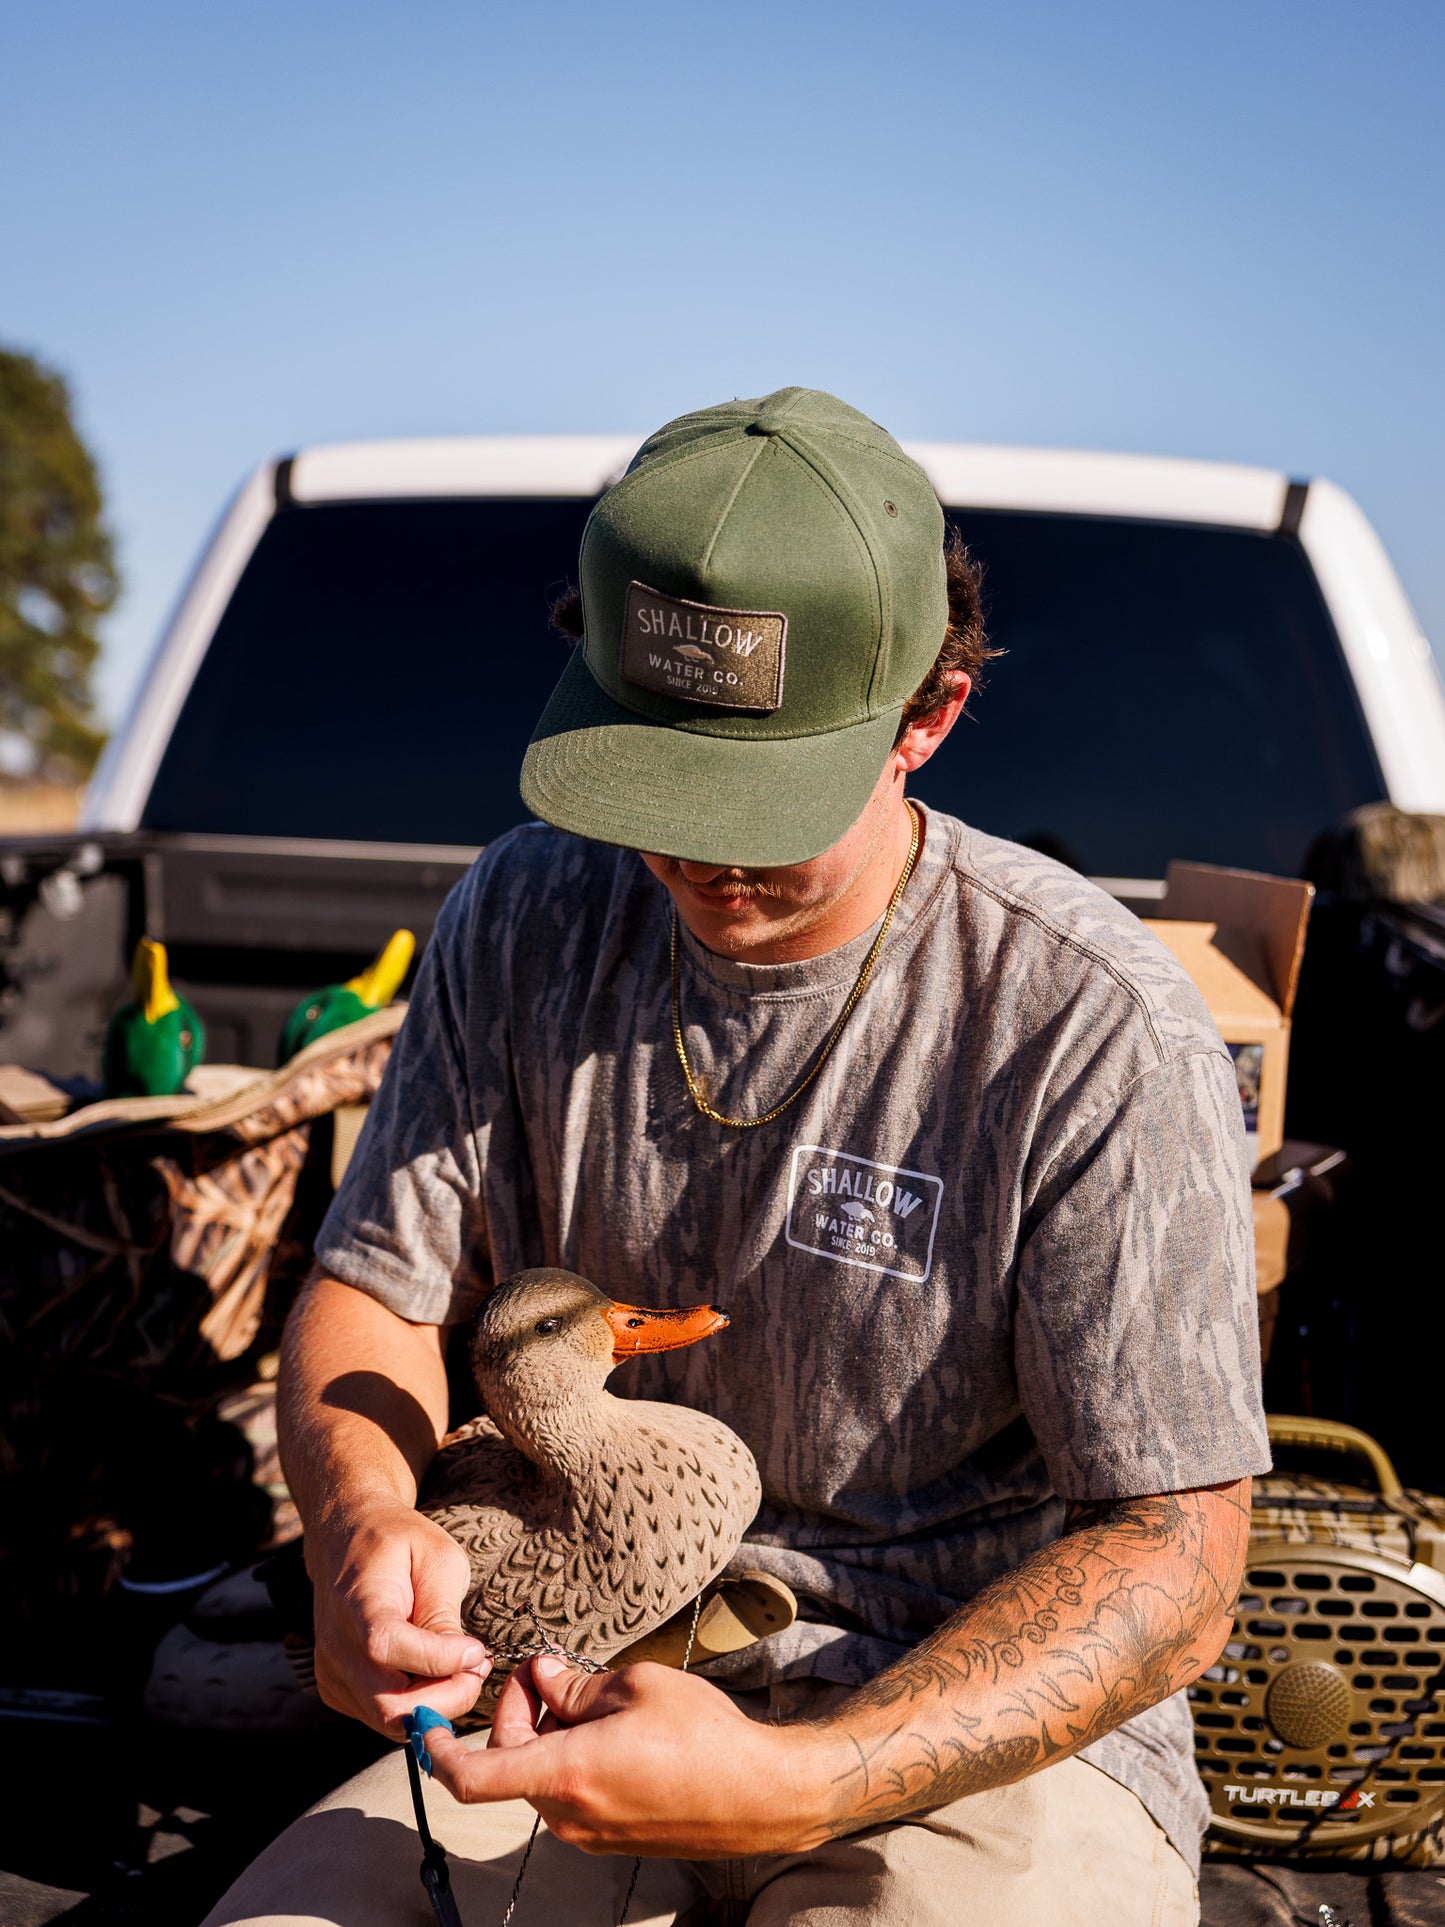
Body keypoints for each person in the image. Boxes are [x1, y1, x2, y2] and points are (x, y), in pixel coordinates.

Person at [207, 387, 1268, 1927]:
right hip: (557, 1678)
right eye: (654, 777)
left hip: (960, 1738)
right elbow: (378, 1291)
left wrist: (800, 1780)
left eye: (761, 798)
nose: (698, 850)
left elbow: (1175, 1554)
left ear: (928, 717)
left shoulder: (1084, 1022)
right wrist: (361, 1529)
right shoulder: (521, 916)